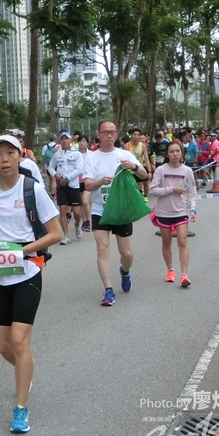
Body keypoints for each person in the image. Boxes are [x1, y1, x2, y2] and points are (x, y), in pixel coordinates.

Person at [0, 135, 62, 433]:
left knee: (20, 341)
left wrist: (21, 251)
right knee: (3, 346)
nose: (4, 159)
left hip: (28, 270)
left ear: (20, 156)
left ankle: (21, 408)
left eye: (10, 152)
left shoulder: (32, 189)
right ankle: (26, 367)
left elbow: (56, 233)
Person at [83, 121, 148, 306]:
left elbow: (144, 175)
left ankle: (125, 272)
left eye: (112, 132)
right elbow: (88, 185)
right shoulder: (90, 158)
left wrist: (134, 167)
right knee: (102, 249)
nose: (109, 135)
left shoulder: (124, 154)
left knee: (126, 253)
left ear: (116, 134)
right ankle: (109, 290)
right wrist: (100, 182)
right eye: (105, 132)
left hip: (121, 210)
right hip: (100, 210)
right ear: (98, 135)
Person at [148, 141, 197, 287]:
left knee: (182, 242)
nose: (175, 154)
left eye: (178, 151)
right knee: (166, 242)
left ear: (182, 153)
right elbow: (152, 190)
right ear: (167, 154)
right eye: (172, 151)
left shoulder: (187, 171)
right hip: (163, 212)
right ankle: (170, 270)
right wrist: (171, 189)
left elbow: (191, 191)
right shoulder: (161, 170)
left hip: (181, 210)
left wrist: (193, 209)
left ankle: (184, 275)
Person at [48, 130, 83, 244]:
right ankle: (66, 236)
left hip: (73, 185)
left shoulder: (77, 154)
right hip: (61, 186)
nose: (64, 141)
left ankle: (77, 225)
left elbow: (79, 169)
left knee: (77, 212)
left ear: (70, 140)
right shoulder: (57, 155)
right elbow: (50, 167)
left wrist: (67, 178)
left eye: (66, 139)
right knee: (62, 209)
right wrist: (55, 174)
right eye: (62, 139)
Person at [125, 128, 152, 202]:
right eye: (134, 134)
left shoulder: (143, 146)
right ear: (131, 135)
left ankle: (140, 201)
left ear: (140, 136)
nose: (136, 136)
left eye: (138, 135)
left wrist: (149, 171)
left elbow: (146, 159)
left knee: (139, 190)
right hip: (129, 171)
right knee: (129, 189)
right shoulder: (127, 146)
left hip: (139, 170)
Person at [77, 136, 92, 232]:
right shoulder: (75, 154)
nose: (82, 143)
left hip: (87, 180)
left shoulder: (91, 154)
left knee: (85, 201)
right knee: (81, 203)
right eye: (80, 141)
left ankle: (88, 221)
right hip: (77, 181)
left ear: (87, 142)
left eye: (83, 141)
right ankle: (84, 221)